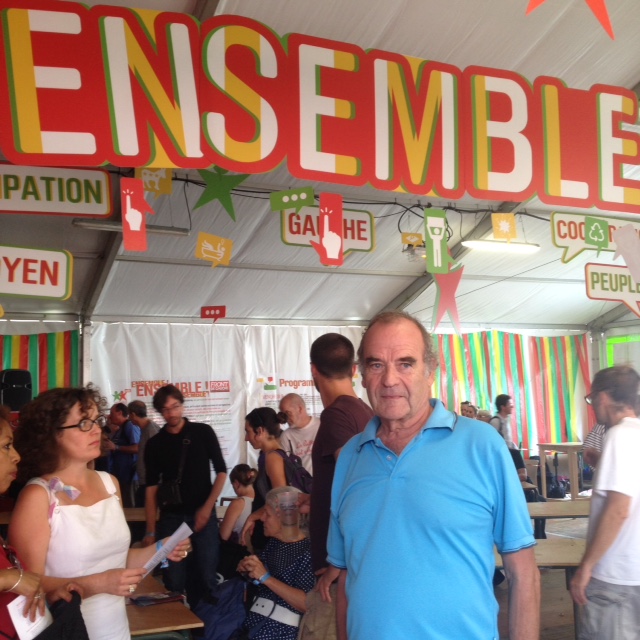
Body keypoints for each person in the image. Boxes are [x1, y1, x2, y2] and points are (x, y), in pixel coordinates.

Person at [323, 311, 539, 639]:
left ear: (430, 371)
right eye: (376, 364)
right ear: (362, 375)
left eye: (405, 364)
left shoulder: (481, 445)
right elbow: (346, 580)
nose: (390, 379)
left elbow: (523, 573)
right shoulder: (351, 456)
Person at [8, 387, 190, 640]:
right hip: (69, 631)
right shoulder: (38, 496)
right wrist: (96, 584)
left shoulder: (109, 483)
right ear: (52, 434)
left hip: (116, 629)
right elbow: (27, 585)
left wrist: (161, 547)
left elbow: (115, 560)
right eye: (84, 423)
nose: (96, 430)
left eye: (96, 420)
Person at [570, 365, 640, 639]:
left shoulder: (618, 436)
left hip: (614, 576)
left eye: (591, 399)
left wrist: (586, 566)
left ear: (603, 397)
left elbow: (618, 510)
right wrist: (603, 463)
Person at [144, 384, 227, 608]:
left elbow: (221, 472)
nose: (172, 413)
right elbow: (151, 488)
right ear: (160, 412)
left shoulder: (203, 432)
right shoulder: (155, 444)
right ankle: (179, 621)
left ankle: (212, 621)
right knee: (174, 579)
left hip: (203, 515)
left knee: (208, 573)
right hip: (171, 518)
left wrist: (207, 508)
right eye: (166, 409)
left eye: (175, 406)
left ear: (182, 405)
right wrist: (150, 530)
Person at [236, 486, 314, 640]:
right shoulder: (274, 544)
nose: (262, 518)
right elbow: (260, 581)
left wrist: (265, 577)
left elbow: (307, 604)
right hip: (253, 625)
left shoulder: (308, 552)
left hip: (280, 632)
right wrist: (248, 570)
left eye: (267, 514)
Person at [244, 407, 289, 550]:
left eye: (248, 432)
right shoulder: (268, 456)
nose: (246, 438)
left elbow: (280, 498)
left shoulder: (273, 457)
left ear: (260, 431)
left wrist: (253, 517)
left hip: (273, 538)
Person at [103, 403, 140, 507]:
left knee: (130, 507)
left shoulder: (130, 426)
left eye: (111, 413)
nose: (109, 416)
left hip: (130, 476)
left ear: (119, 413)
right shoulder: (119, 429)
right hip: (121, 475)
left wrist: (116, 447)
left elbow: (138, 448)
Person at [127, 400, 160, 507]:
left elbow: (158, 457)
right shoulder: (144, 429)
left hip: (151, 483)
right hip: (145, 482)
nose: (128, 418)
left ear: (133, 415)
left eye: (129, 415)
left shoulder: (151, 430)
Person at [278, 394, 320, 474]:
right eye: (283, 415)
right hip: (300, 481)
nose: (285, 419)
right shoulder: (286, 436)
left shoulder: (321, 425)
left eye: (288, 413)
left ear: (300, 409)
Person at [219, 464, 256, 544]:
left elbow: (223, 536)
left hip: (239, 548)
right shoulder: (260, 501)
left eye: (233, 486)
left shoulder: (238, 503)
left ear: (236, 483)